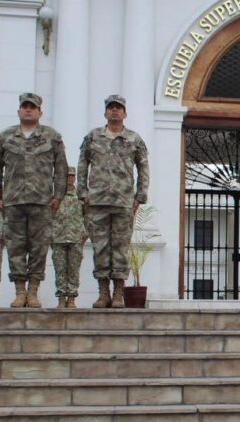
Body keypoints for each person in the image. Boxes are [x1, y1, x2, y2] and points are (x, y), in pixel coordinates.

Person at [0, 92, 68, 308]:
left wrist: (58, 196)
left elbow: (60, 169)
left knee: (38, 248)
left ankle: (33, 291)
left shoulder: (52, 137)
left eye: (32, 107)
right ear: (18, 111)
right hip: (13, 201)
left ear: (39, 112)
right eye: (25, 106)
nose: (28, 110)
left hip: (42, 201)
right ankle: (19, 291)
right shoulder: (4, 137)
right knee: (15, 247)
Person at [76, 94, 150, 309]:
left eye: (119, 108)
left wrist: (140, 196)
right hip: (97, 201)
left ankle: (118, 293)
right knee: (100, 247)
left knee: (120, 248)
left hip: (123, 201)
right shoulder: (92, 137)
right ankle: (103, 293)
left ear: (125, 113)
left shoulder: (134, 139)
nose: (115, 111)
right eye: (111, 108)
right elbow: (82, 165)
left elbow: (143, 167)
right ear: (105, 112)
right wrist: (83, 193)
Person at [52, 167, 87, 308]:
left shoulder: (80, 195)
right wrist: (49, 234)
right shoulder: (55, 195)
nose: (70, 179)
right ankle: (61, 297)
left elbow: (88, 216)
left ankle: (71, 297)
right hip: (58, 237)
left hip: (75, 237)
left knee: (73, 268)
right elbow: (48, 215)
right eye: (67, 176)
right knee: (60, 269)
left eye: (72, 176)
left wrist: (85, 234)